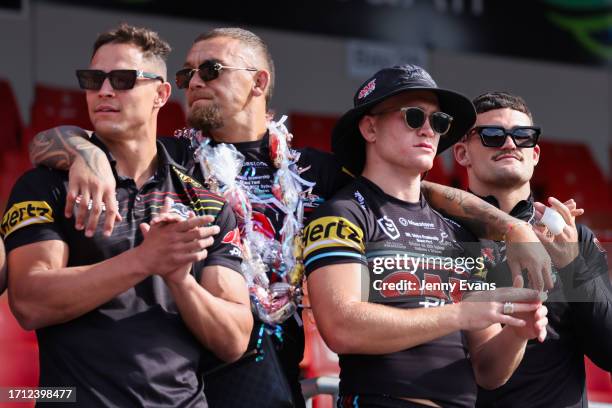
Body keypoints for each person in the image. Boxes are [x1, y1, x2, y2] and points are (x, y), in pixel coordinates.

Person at [28, 28, 555, 406]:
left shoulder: (307, 169)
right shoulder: (172, 158)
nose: (194, 82)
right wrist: (85, 151)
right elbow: (49, 141)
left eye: (211, 70)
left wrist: (509, 225)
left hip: (276, 349)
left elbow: (415, 187)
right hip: (187, 351)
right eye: (187, 73)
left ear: (258, 83)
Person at [0, 24, 252, 407]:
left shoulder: (207, 203)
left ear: (161, 94)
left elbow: (233, 340)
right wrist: (142, 260)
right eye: (93, 79)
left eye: (123, 79)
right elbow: (30, 303)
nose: (104, 90)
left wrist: (180, 281)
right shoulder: (46, 184)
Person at [303, 64, 549, 408]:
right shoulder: (344, 212)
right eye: (414, 117)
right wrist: (460, 314)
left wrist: (517, 333)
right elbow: (341, 327)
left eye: (439, 122)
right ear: (370, 127)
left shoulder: (457, 230)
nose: (429, 130)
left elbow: (488, 372)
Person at [453, 91, 612, 408]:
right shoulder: (442, 233)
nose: (510, 144)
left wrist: (572, 265)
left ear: (535, 154)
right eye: (492, 136)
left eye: (522, 136)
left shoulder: (571, 236)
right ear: (462, 154)